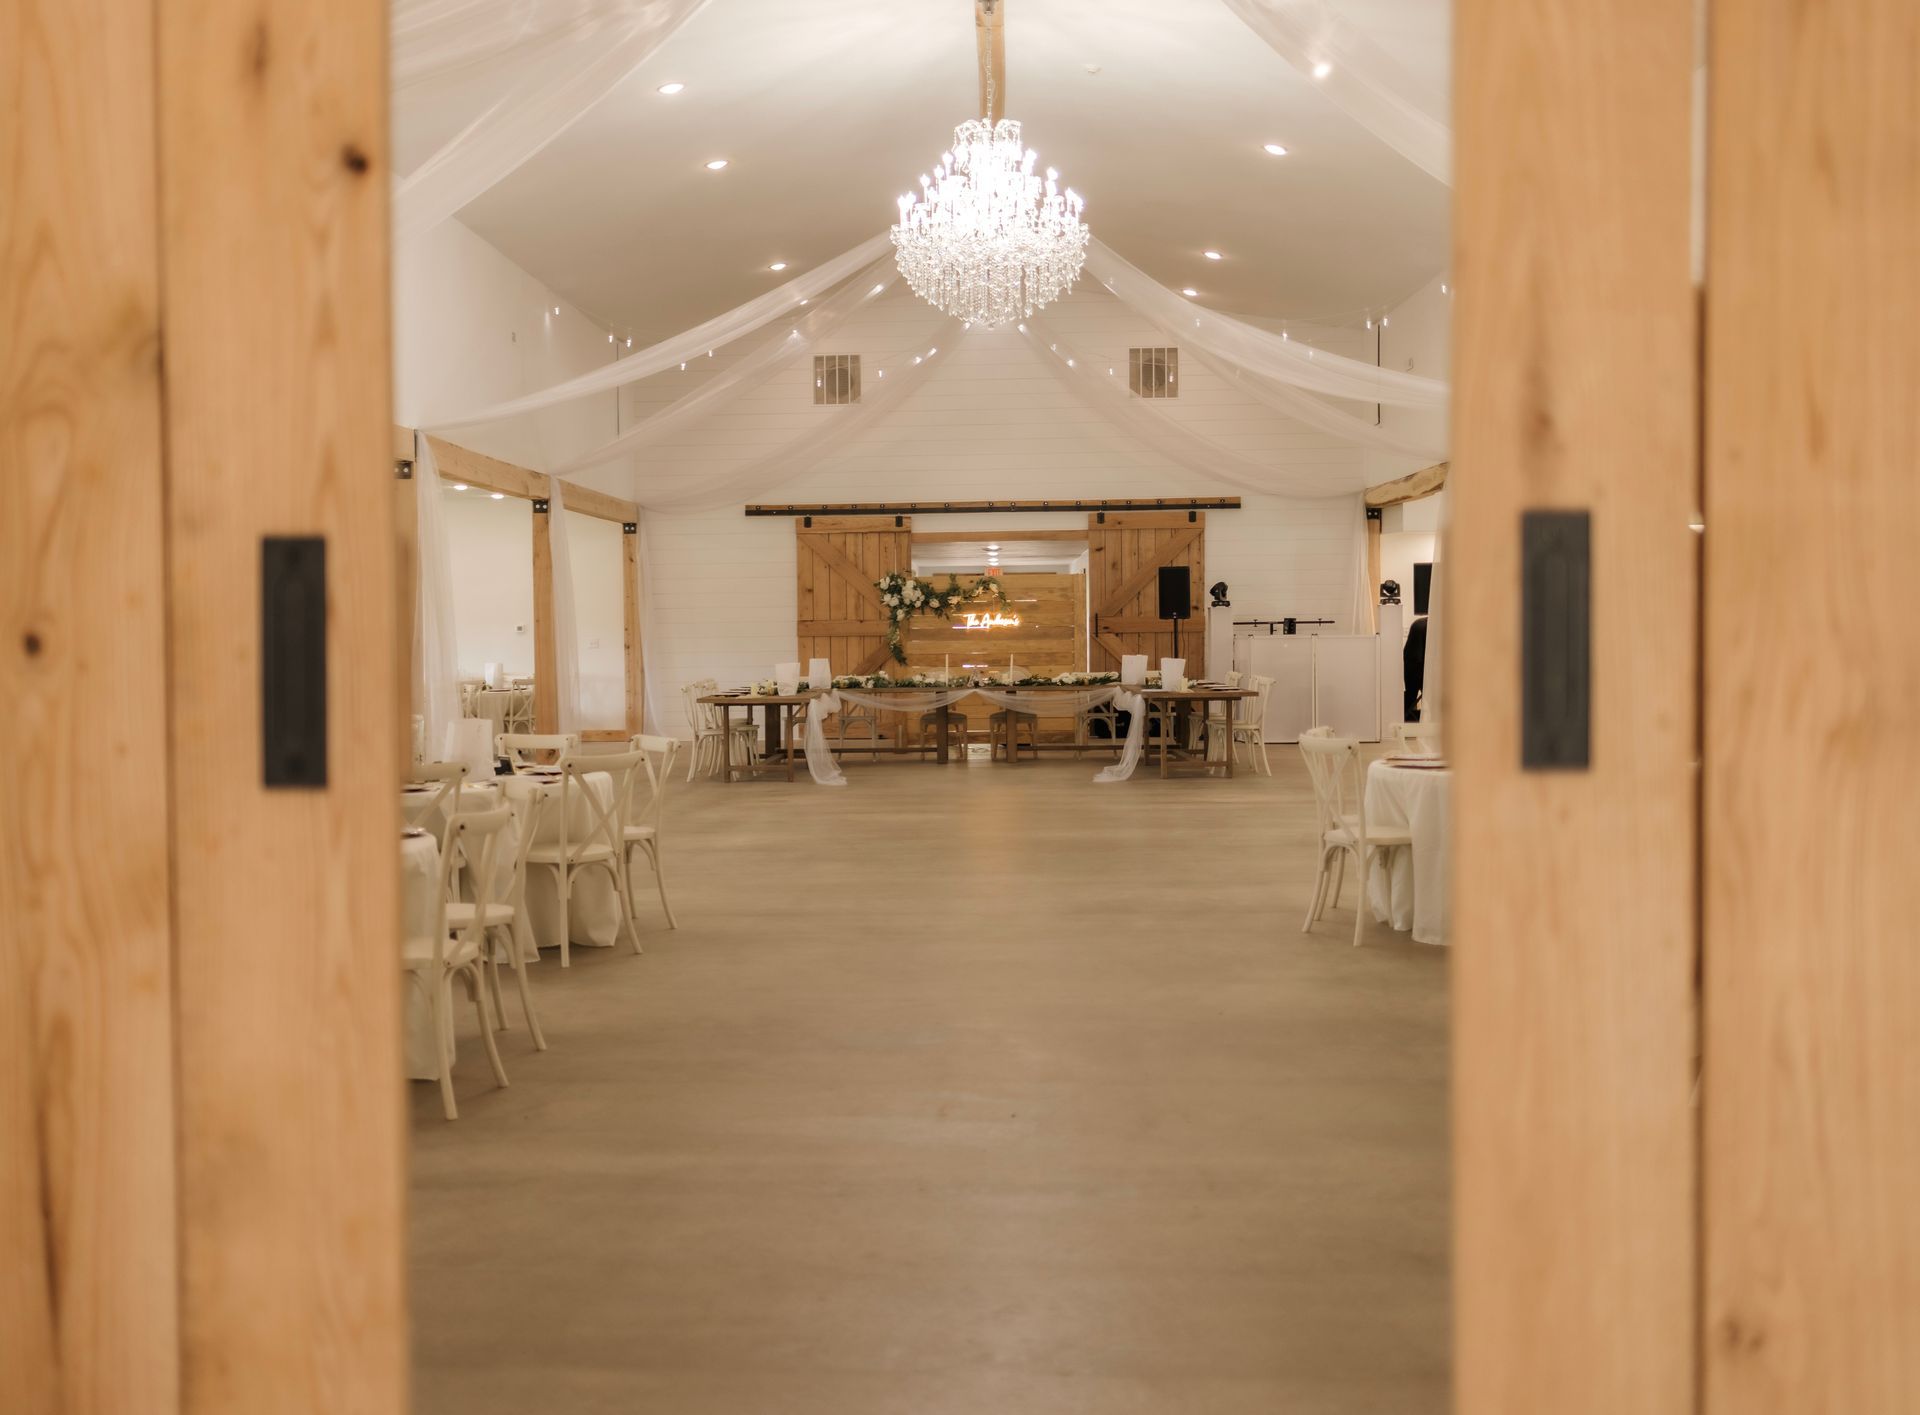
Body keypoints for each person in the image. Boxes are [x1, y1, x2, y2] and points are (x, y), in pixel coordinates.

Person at [1403, 615, 1428, 721]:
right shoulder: (1426, 626)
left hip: (1410, 667)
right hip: (1419, 668)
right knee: (1429, 698)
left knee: (1410, 697)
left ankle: (1405, 720)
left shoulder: (1419, 623)